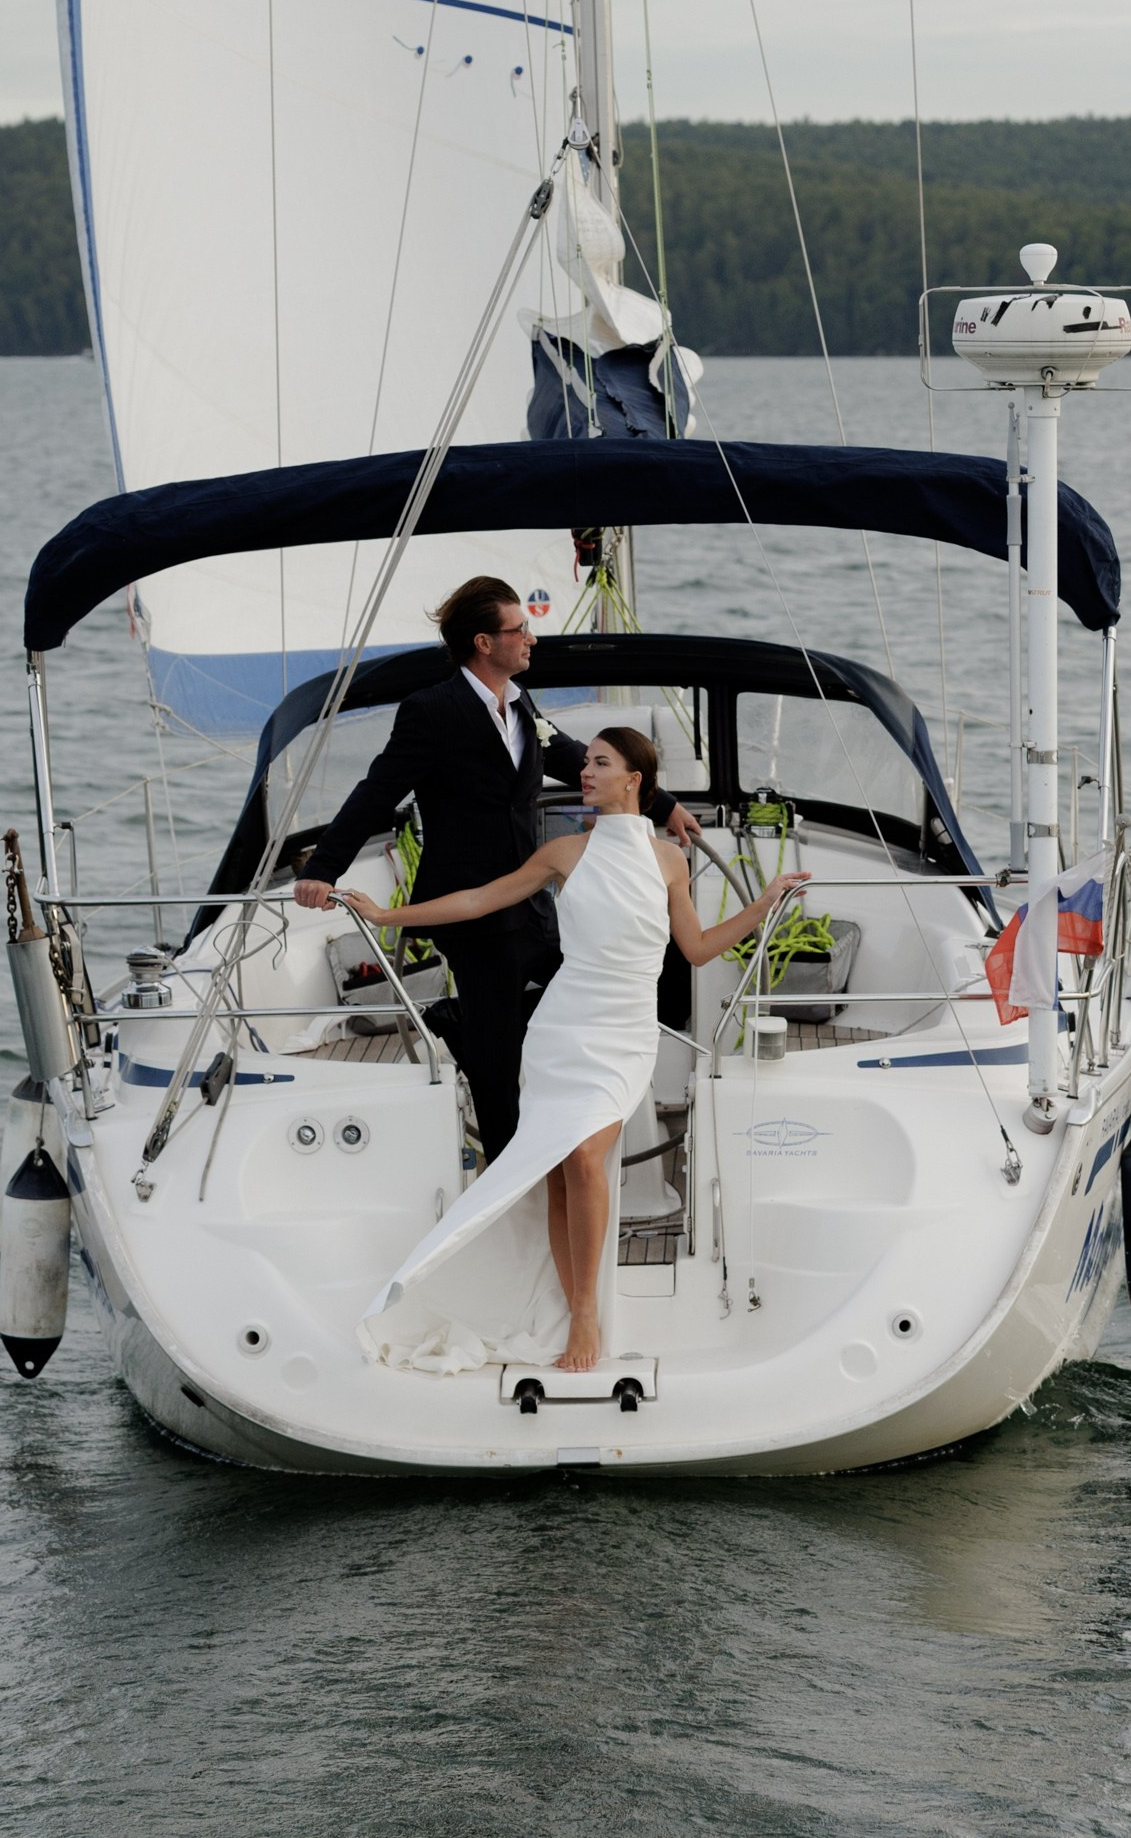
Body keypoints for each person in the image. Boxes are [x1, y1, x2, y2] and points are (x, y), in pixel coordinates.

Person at [326, 724, 807, 1375]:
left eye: (599, 763)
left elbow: (696, 949)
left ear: (633, 779)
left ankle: (584, 1314)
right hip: (562, 1031)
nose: (585, 771)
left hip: (624, 1035)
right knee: (560, 1167)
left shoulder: (671, 861)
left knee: (584, 1158)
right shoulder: (564, 852)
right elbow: (479, 899)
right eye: (587, 763)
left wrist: (766, 905)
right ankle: (578, 1304)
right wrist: (388, 917)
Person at [292, 577, 702, 1162]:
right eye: (520, 629)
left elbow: (574, 759)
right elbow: (376, 791)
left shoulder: (520, 703)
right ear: (484, 642)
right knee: (497, 1062)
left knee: (646, 982)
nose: (531, 638)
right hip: (473, 907)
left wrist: (664, 806)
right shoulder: (432, 711)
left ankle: (464, 1023)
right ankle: (512, 1173)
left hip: (530, 898)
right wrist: (324, 869)